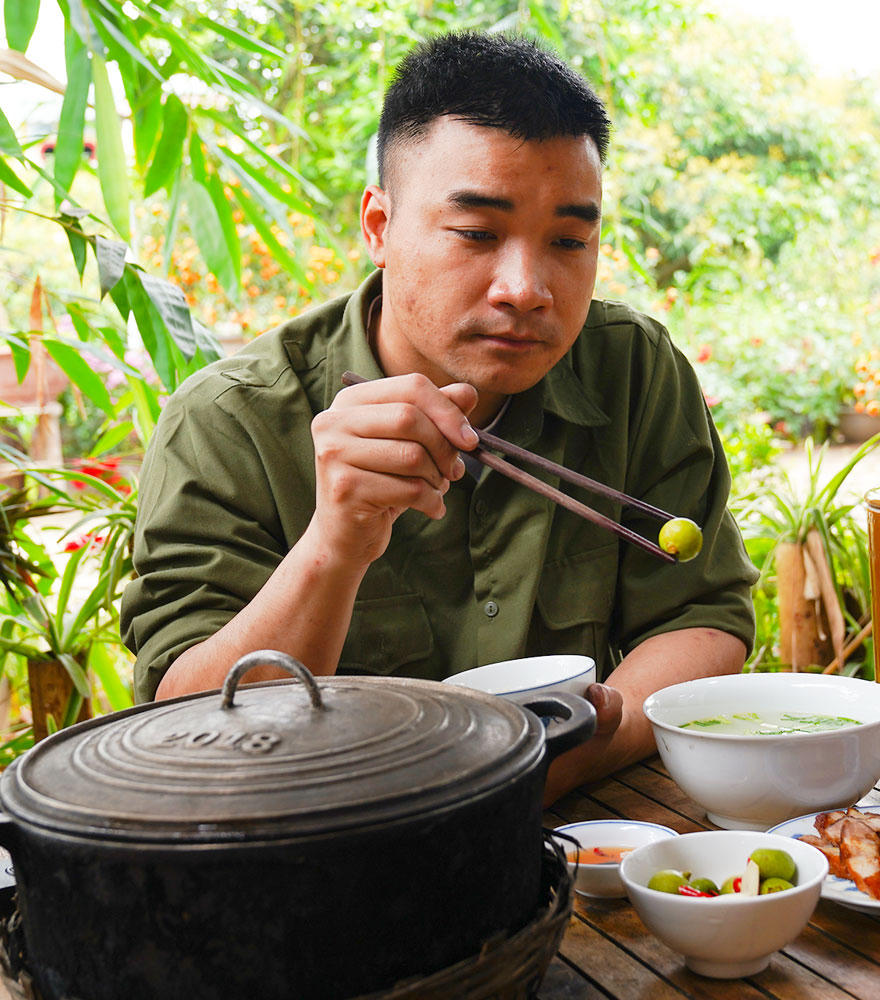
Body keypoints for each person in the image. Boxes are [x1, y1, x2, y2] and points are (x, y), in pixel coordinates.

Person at [121, 30, 757, 804]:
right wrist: (335, 546)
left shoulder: (631, 369)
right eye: (477, 234)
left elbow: (701, 615)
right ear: (379, 227)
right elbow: (184, 728)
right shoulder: (230, 422)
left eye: (569, 240)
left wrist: (563, 762)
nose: (526, 288)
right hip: (318, 841)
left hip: (573, 827)